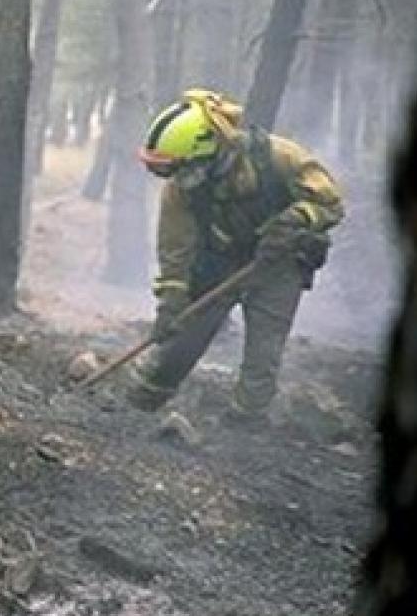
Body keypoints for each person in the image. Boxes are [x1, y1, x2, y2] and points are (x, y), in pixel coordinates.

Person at [128, 89, 343, 421]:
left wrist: (296, 219)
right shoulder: (180, 191)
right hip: (221, 262)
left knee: (263, 352)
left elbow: (330, 204)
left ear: (205, 151)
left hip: (278, 265)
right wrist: (171, 303)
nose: (173, 179)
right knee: (185, 335)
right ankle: (141, 402)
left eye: (177, 169)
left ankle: (246, 420)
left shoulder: (281, 157)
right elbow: (175, 251)